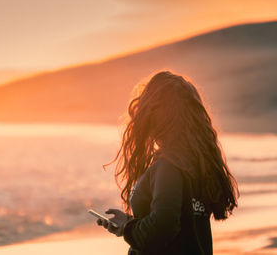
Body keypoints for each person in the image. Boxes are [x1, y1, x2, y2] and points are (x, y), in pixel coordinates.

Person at [96, 71, 239, 255]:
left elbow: (163, 227)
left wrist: (127, 228)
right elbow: (178, 225)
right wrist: (129, 223)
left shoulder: (168, 167)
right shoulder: (198, 164)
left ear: (156, 115)